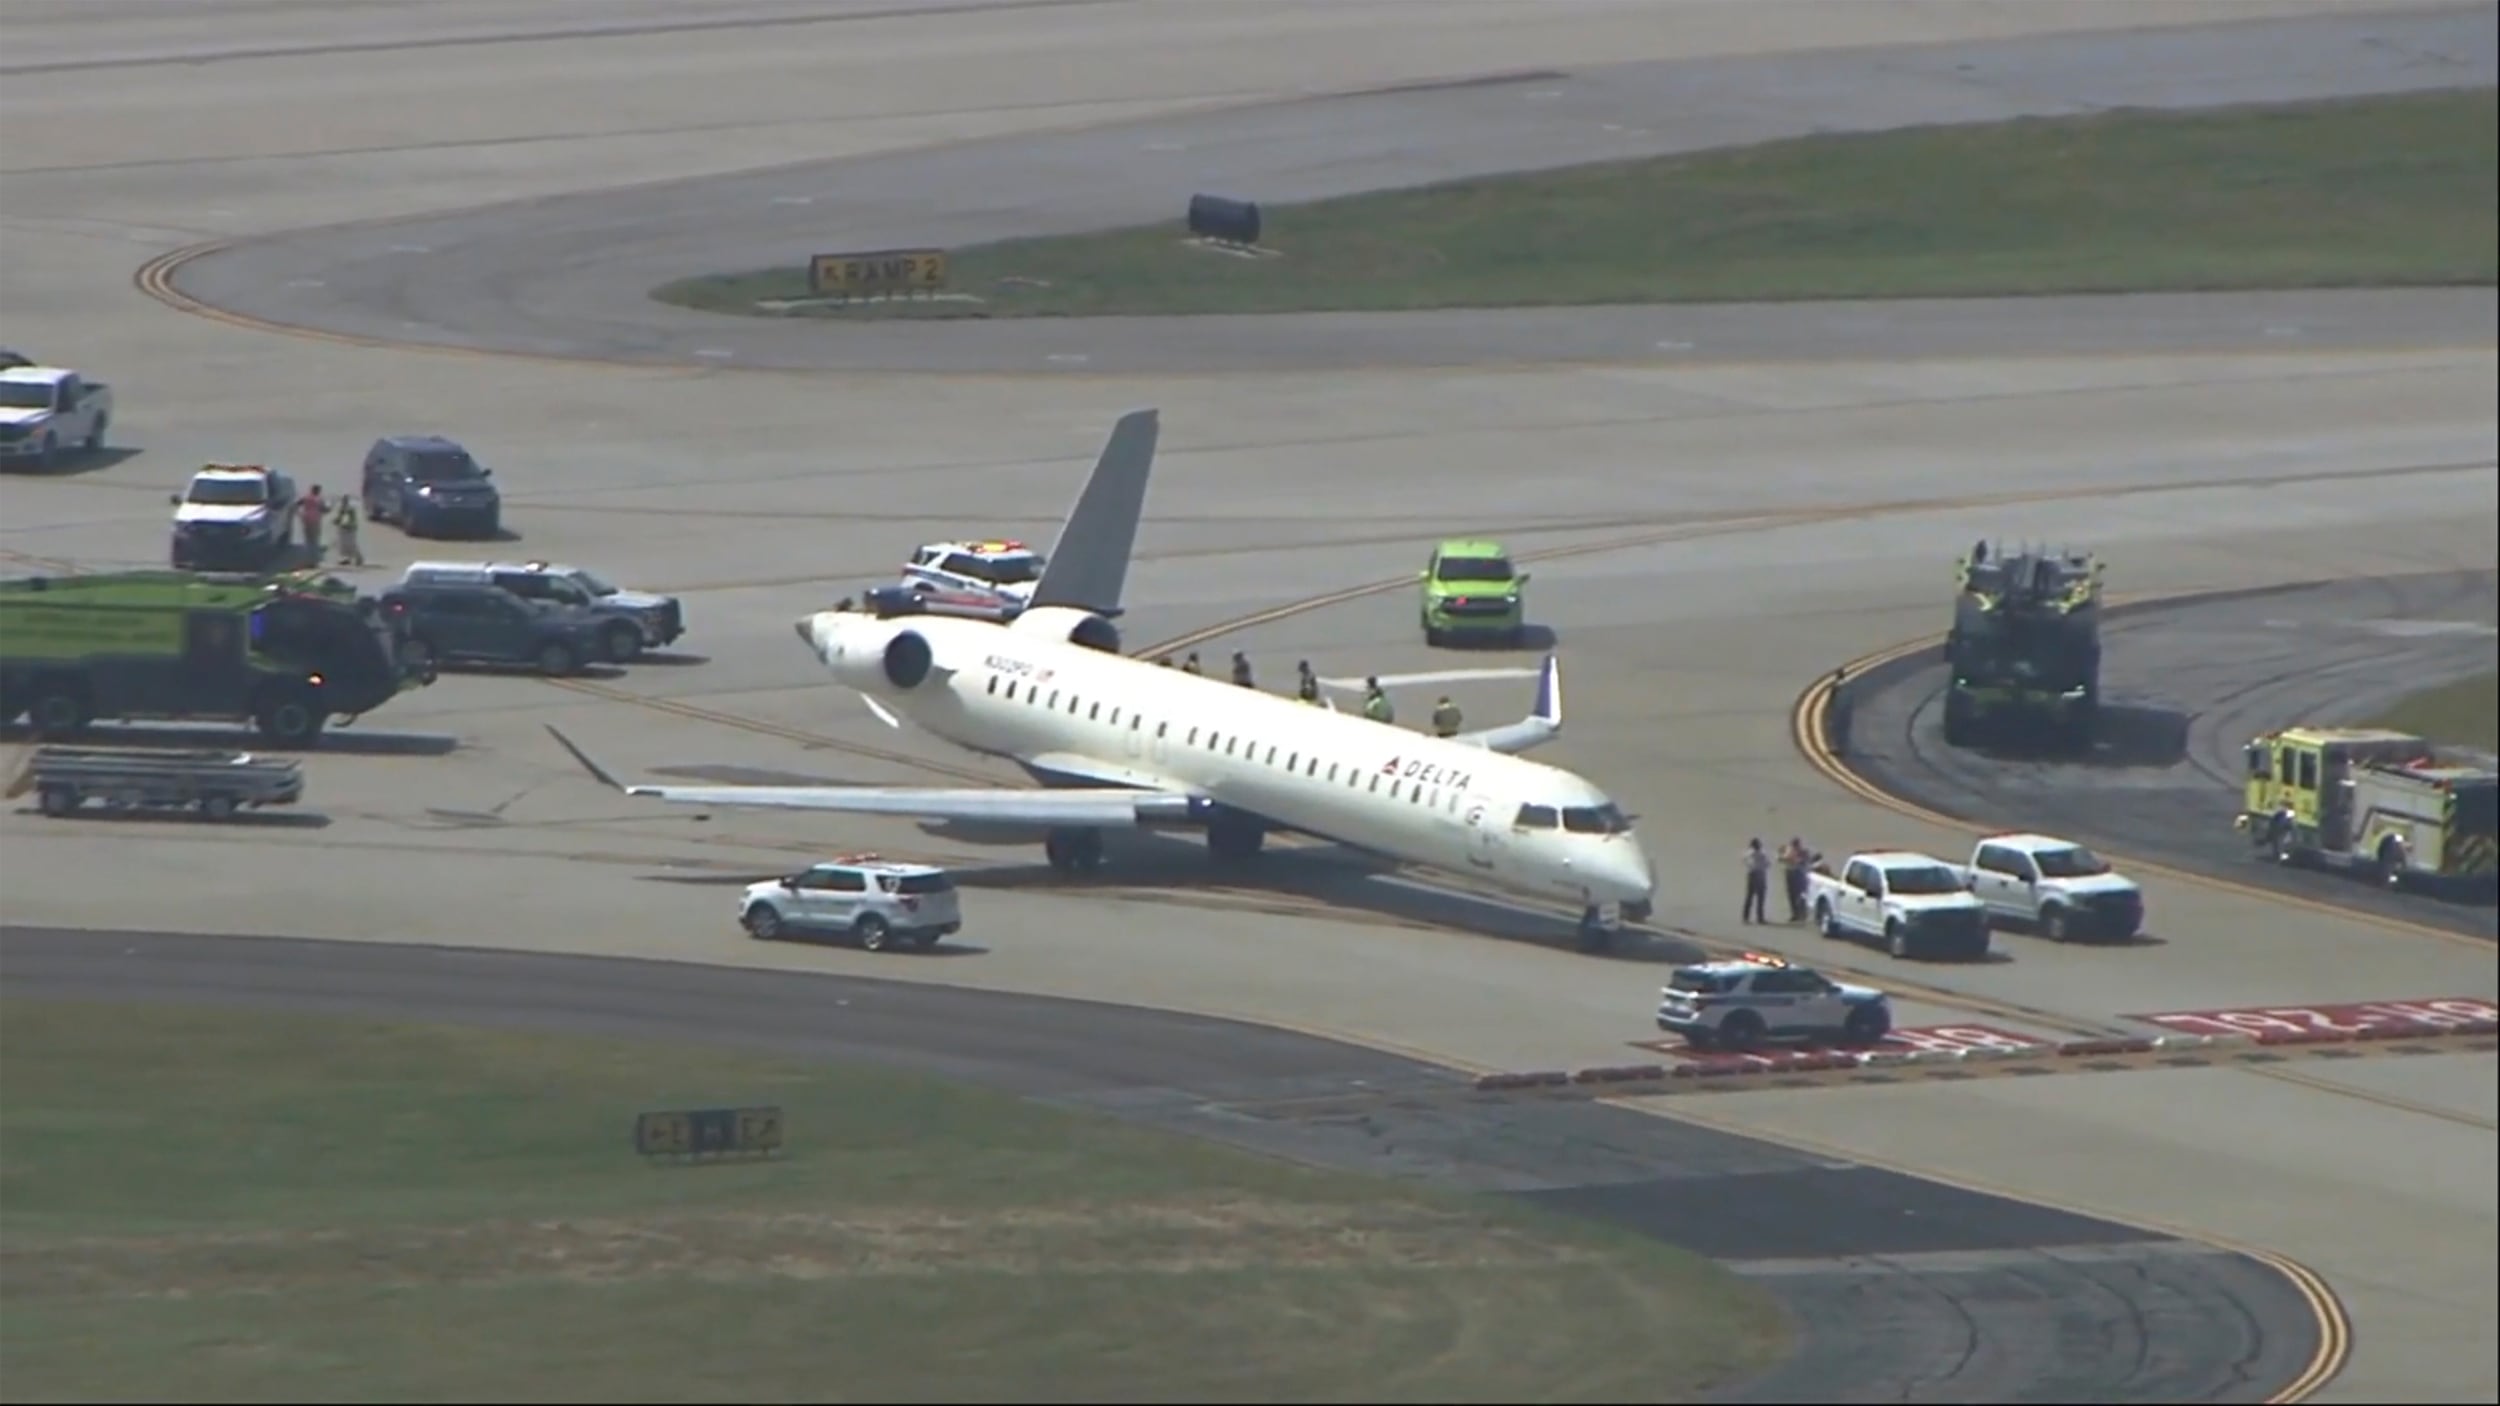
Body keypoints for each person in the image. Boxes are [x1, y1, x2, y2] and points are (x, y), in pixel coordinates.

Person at [1778, 837, 1811, 923]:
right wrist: (1783, 857)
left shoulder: (1803, 852)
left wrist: (1796, 860)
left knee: (1801, 895)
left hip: (1799, 874)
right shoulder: (1788, 850)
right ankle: (1795, 914)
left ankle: (1802, 914)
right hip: (1790, 873)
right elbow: (1781, 859)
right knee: (1792, 895)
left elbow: (1805, 861)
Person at [1742, 838, 1771, 925]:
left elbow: (1744, 860)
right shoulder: (1762, 854)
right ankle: (1760, 917)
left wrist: (1749, 866)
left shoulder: (1748, 853)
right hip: (1760, 875)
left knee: (1750, 896)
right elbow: (1768, 864)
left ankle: (1746, 917)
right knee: (1760, 897)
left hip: (1752, 875)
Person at [332, 493, 364, 567]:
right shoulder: (343, 508)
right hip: (345, 528)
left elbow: (344, 518)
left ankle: (359, 559)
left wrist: (337, 521)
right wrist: (336, 521)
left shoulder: (349, 509)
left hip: (349, 528)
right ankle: (346, 559)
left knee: (351, 544)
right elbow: (340, 517)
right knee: (343, 544)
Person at [297, 483, 327, 558]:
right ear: (318, 491)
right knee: (315, 539)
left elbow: (297, 504)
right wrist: (331, 508)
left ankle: (307, 555)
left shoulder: (306, 497)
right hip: (315, 521)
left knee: (308, 539)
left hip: (306, 520)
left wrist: (299, 514)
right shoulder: (319, 499)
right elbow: (323, 509)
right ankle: (313, 556)